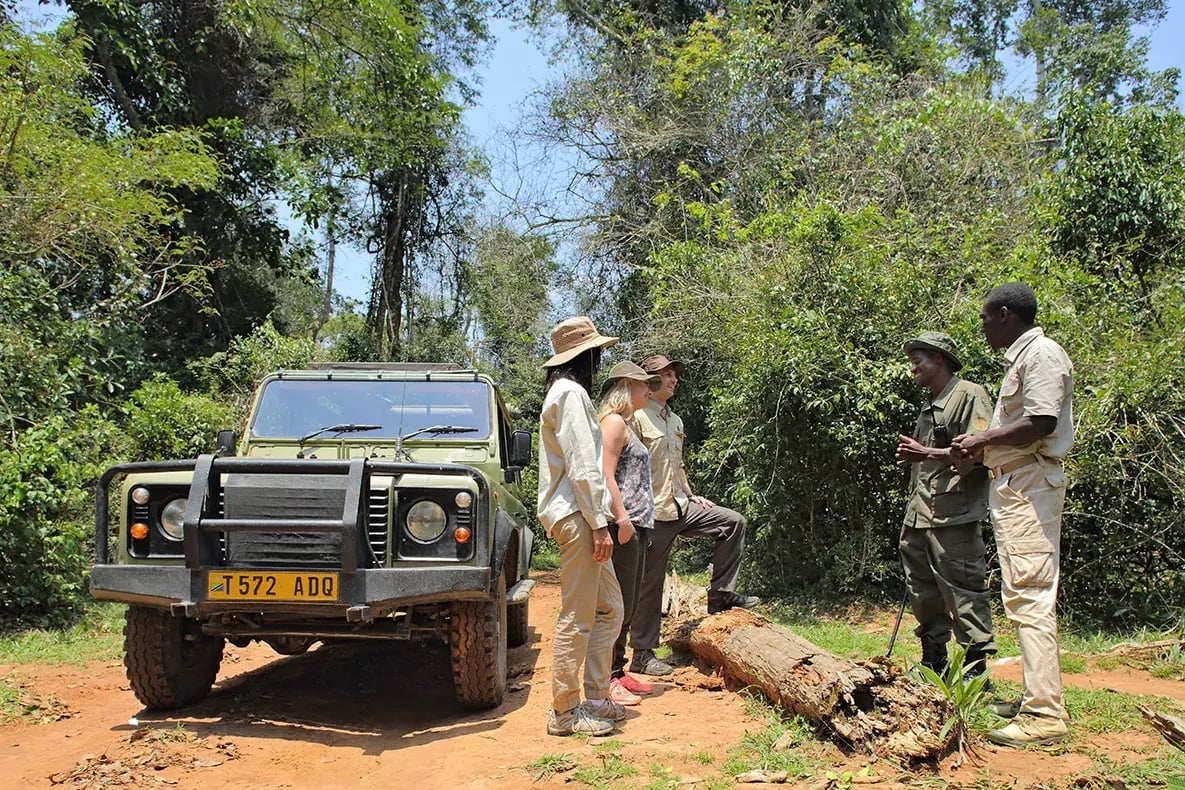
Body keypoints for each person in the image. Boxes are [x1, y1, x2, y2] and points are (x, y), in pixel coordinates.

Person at [951, 283, 1075, 747]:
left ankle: (1045, 715)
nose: (983, 328)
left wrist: (983, 438)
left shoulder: (1041, 354)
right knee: (1022, 593)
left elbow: (1040, 423)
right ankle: (1035, 699)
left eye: (985, 318)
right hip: (1015, 482)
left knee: (1031, 595)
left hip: (1029, 483)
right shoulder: (1022, 359)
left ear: (1004, 314)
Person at [629, 355, 760, 677]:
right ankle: (642, 655)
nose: (673, 380)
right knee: (650, 582)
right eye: (666, 374)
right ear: (649, 380)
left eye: (675, 375)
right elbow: (624, 464)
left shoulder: (674, 420)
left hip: (679, 505)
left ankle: (720, 597)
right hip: (652, 512)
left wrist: (690, 494)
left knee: (732, 522)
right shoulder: (636, 417)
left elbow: (676, 464)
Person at [537, 316, 627, 737]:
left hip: (581, 515)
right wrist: (598, 523)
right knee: (578, 616)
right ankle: (564, 711)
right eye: (597, 353)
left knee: (609, 608)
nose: (599, 360)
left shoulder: (565, 392)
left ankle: (594, 698)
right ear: (585, 356)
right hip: (579, 517)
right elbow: (582, 466)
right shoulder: (570, 394)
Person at [895, 332, 996, 680]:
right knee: (922, 591)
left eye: (917, 360)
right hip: (920, 513)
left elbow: (982, 451)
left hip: (954, 514)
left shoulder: (970, 396)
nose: (913, 368)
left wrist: (927, 453)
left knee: (964, 591)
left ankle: (974, 672)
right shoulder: (931, 405)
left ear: (939, 359)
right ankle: (934, 662)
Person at [598, 361, 662, 704]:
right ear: (626, 385)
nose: (648, 391)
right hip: (624, 523)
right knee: (618, 603)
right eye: (643, 385)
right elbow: (605, 474)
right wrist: (621, 520)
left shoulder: (627, 424)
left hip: (637, 523)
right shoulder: (613, 422)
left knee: (630, 601)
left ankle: (618, 670)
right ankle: (606, 678)